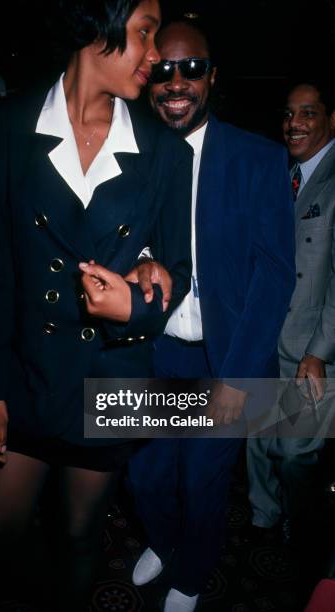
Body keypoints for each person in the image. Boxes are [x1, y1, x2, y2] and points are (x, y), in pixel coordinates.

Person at [0, 1, 192, 609]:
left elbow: (181, 272)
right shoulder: (0, 126)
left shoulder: (166, 153)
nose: (154, 56)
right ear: (96, 25)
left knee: (80, 533)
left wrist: (139, 302)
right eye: (144, 33)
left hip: (113, 382)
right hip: (24, 374)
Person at [128, 15, 295, 612]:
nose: (177, 82)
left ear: (212, 76)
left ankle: (194, 572)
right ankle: (166, 543)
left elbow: (275, 276)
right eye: (164, 71)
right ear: (150, 81)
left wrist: (237, 377)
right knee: (146, 476)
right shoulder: (135, 157)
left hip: (222, 356)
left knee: (201, 483)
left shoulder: (259, 159)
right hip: (154, 352)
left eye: (191, 69)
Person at [247, 79, 335, 546]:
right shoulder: (282, 175)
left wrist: (320, 351)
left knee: (296, 451)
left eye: (308, 114)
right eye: (288, 114)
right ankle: (264, 517)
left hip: (312, 347)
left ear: (331, 120)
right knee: (258, 440)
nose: (294, 124)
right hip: (268, 337)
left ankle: (305, 527)